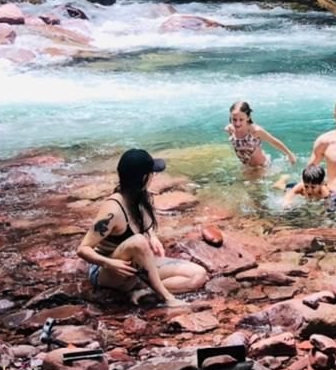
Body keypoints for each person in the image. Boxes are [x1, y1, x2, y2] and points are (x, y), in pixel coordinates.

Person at [77, 148, 208, 306]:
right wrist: (109, 263)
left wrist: (152, 237)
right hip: (109, 271)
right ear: (144, 177)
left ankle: (144, 292)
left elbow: (144, 225)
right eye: (152, 173)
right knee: (139, 241)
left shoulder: (141, 196)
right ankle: (168, 298)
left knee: (198, 275)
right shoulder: (113, 210)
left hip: (136, 268)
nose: (154, 176)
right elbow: (83, 249)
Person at [225, 101, 297, 170]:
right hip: (247, 167)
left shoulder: (255, 131)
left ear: (248, 117)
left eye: (241, 120)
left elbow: (273, 141)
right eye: (234, 119)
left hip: (262, 167)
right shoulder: (231, 130)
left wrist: (290, 155)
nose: (237, 123)